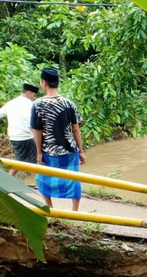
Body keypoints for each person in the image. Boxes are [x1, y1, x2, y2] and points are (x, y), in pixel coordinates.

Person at [31, 68, 85, 211]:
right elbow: (75, 129)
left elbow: (37, 131)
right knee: (73, 180)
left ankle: (50, 208)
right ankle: (75, 212)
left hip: (49, 151)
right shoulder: (69, 103)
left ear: (43, 83)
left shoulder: (38, 104)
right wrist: (81, 151)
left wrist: (38, 153)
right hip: (69, 150)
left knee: (43, 180)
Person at [0, 84, 39, 176]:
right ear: (29, 93)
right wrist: (36, 137)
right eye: (34, 95)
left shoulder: (11, 103)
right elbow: (30, 123)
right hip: (26, 137)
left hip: (14, 136)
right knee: (35, 160)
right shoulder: (29, 104)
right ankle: (9, 180)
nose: (34, 98)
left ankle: (16, 179)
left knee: (22, 160)